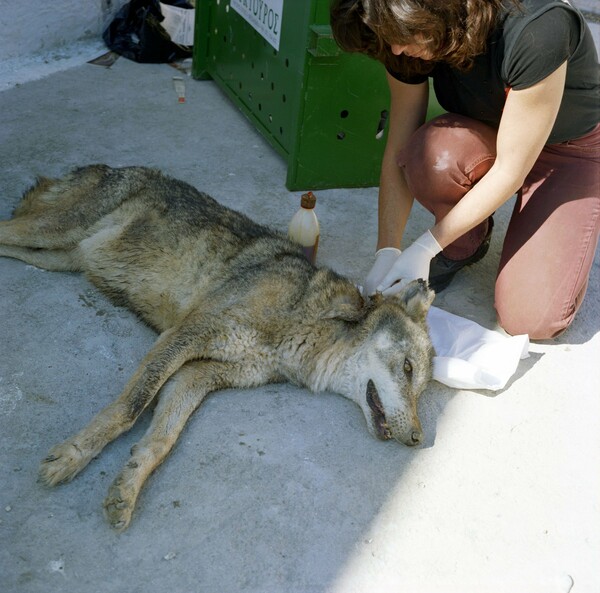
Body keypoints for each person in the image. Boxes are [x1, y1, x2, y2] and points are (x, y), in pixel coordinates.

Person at [330, 0, 600, 340]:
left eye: (400, 35)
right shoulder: (401, 32)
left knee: (530, 319)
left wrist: (425, 247)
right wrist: (388, 249)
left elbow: (510, 170)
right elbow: (398, 146)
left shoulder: (537, 27)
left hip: (566, 150)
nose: (396, 48)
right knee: (430, 157)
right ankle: (466, 243)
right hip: (488, 131)